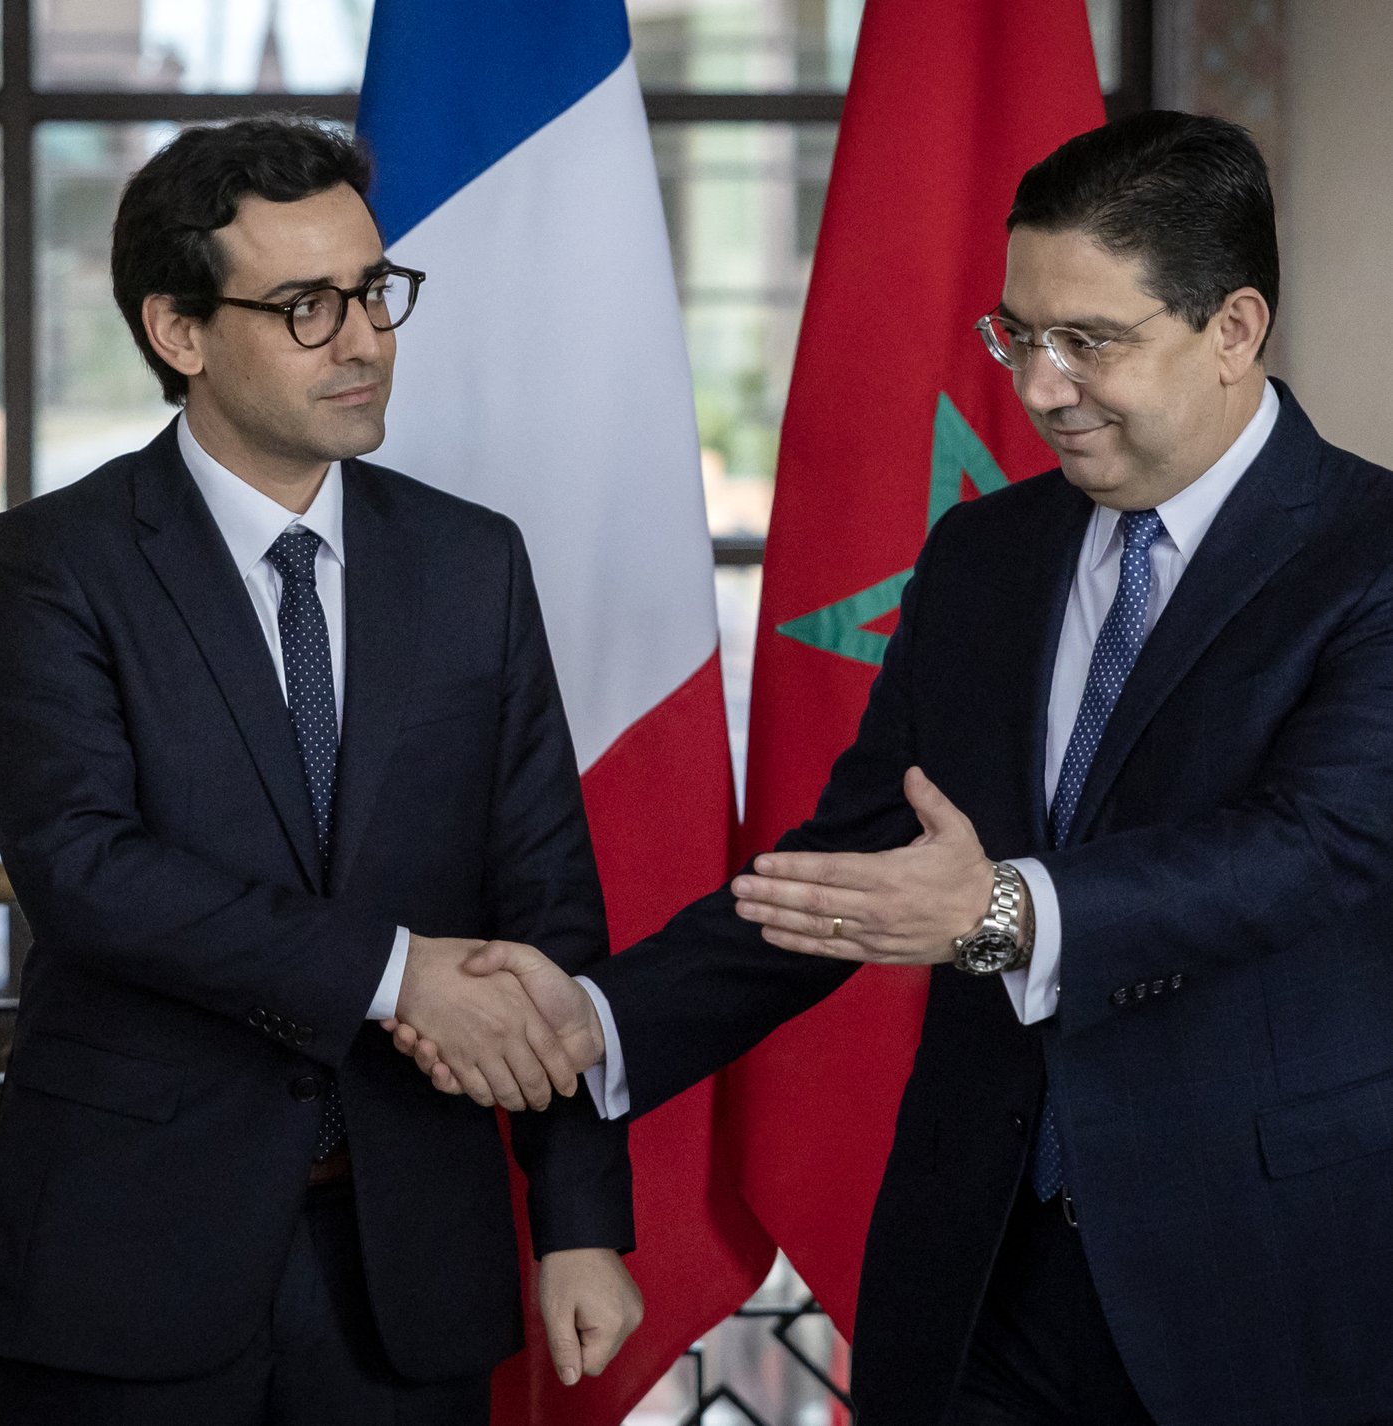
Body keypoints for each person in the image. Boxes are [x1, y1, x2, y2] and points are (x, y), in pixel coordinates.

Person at [393, 111, 1393, 1426]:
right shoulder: (985, 553)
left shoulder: (1366, 556)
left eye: (1085, 340)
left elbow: (1309, 846)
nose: (1036, 385)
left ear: (1231, 327)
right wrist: (600, 1019)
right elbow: (854, 874)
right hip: (977, 1272)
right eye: (1016, 334)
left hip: (1258, 1271)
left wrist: (998, 912)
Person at [0, 116, 640, 1426]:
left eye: (376, 291)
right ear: (178, 332)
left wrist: (576, 1215)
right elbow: (90, 871)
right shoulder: (51, 563)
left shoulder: (471, 564)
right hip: (131, 1259)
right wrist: (396, 974)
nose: (365, 339)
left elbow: (549, 903)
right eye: (307, 306)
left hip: (409, 1261)